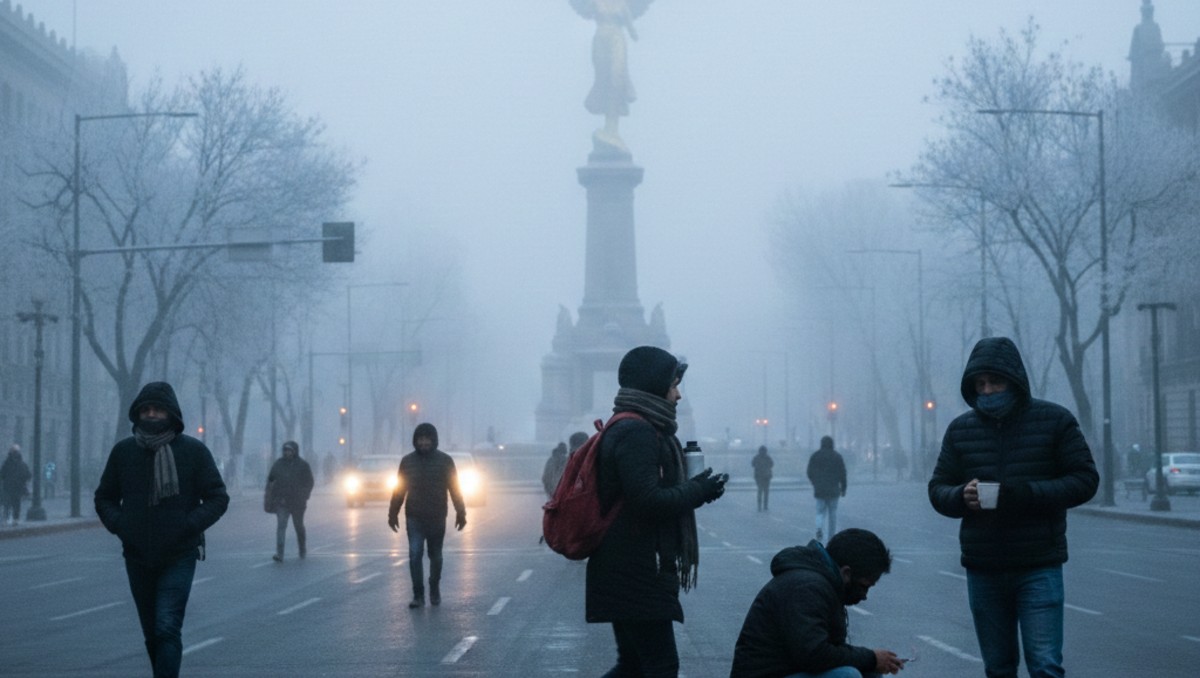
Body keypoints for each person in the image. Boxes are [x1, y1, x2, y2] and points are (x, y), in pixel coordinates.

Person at [929, 337, 1099, 678]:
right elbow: (938, 488)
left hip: (1038, 563)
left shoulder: (1055, 421)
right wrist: (961, 496)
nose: (987, 391)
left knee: (1045, 665)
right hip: (984, 565)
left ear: (1014, 380)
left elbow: (1084, 479)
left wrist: (1025, 494)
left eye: (995, 382)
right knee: (998, 667)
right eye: (980, 384)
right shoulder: (960, 430)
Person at [587, 345, 728, 677]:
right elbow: (647, 501)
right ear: (654, 385)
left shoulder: (632, 426)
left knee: (634, 665)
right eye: (673, 385)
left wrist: (695, 490)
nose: (678, 395)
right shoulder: (637, 431)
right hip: (636, 568)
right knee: (660, 666)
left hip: (627, 564)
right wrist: (698, 490)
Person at [94, 382, 229, 678]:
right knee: (152, 633)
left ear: (171, 413)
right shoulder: (124, 452)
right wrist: (122, 525)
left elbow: (218, 497)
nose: (152, 414)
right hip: (137, 555)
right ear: (137, 413)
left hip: (179, 554)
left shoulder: (193, 451)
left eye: (158, 409)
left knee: (167, 626)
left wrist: (188, 525)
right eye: (146, 409)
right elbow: (104, 497)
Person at [730, 528, 906, 677]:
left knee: (869, 672)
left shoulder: (822, 583)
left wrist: (872, 662)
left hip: (788, 670)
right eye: (864, 586)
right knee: (847, 675)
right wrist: (871, 658)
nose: (864, 596)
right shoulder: (807, 588)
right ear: (846, 573)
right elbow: (814, 654)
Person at [388, 422, 467, 608]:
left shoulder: (445, 461)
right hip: (414, 516)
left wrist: (460, 512)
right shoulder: (407, 462)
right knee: (415, 555)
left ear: (433, 440)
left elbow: (455, 489)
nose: (423, 443)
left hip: (437, 516)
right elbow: (399, 490)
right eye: (420, 439)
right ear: (415, 441)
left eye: (427, 439)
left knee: (435, 556)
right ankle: (418, 595)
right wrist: (393, 513)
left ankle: (434, 586)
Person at [266, 440, 315, 562]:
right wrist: (271, 496)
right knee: (281, 527)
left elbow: (309, 482)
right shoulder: (278, 464)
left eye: (290, 450)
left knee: (298, 526)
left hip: (298, 503)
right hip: (282, 502)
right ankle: (280, 553)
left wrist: (304, 495)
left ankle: (302, 548)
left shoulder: (302, 465)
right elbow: (271, 480)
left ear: (294, 451)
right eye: (286, 450)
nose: (287, 453)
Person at [807, 436, 847, 542]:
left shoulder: (815, 456)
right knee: (832, 514)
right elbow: (843, 473)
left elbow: (809, 472)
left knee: (820, 513)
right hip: (833, 489)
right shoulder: (837, 456)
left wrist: (815, 482)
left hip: (820, 489)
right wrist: (843, 488)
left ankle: (819, 532)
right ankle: (831, 536)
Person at [1, 444, 32, 525]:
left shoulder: (8, 463)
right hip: (14, 487)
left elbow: (2, 475)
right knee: (13, 504)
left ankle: (11, 519)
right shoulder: (20, 464)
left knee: (11, 504)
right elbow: (28, 475)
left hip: (11, 487)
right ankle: (13, 519)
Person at [752, 445, 774, 512]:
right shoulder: (767, 458)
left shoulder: (757, 457)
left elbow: (753, 464)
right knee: (766, 492)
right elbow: (772, 464)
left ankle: (760, 505)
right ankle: (765, 506)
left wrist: (759, 467)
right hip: (766, 476)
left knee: (760, 491)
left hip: (759, 476)